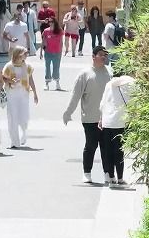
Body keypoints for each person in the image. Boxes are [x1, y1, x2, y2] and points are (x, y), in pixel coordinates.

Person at [62, 47, 113, 184]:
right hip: (90, 118)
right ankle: (87, 172)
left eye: (105, 55)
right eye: (101, 55)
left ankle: (107, 173)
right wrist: (68, 112)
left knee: (106, 147)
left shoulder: (110, 72)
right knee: (91, 146)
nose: (103, 57)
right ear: (93, 56)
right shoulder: (85, 74)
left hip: (107, 118)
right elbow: (75, 95)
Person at [99, 67, 135, 186]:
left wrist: (101, 119)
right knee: (119, 151)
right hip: (120, 122)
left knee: (108, 151)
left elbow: (103, 103)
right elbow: (133, 102)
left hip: (108, 121)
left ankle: (111, 178)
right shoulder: (130, 83)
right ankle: (120, 178)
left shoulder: (109, 84)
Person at [1, 46, 39, 148]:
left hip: (24, 94)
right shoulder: (9, 66)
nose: (26, 55)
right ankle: (14, 142)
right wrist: (10, 81)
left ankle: (23, 134)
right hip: (12, 94)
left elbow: (31, 79)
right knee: (12, 117)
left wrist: (35, 93)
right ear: (18, 54)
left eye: (27, 53)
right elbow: (3, 77)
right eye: (25, 53)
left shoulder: (28, 67)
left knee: (24, 117)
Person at [41, 17, 65, 90]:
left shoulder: (59, 30)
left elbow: (61, 42)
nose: (50, 23)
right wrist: (40, 53)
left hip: (57, 52)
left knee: (56, 67)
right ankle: (47, 83)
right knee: (47, 67)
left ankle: (57, 83)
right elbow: (43, 41)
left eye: (52, 22)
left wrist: (61, 51)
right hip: (48, 52)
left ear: (55, 22)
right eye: (49, 22)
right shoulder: (46, 31)